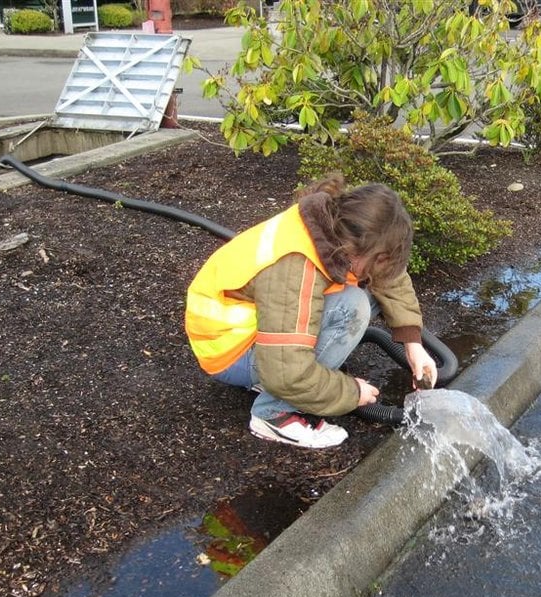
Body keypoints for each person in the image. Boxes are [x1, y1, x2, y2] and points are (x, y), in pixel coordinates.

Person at [185, 173, 438, 449]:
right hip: (230, 350)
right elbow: (285, 371)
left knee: (367, 293)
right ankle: (272, 414)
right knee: (352, 307)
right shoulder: (295, 266)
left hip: (260, 331)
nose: (382, 266)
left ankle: (287, 385)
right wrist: (350, 393)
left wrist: (413, 344)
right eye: (380, 259)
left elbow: (389, 276)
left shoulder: (338, 225)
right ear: (360, 249)